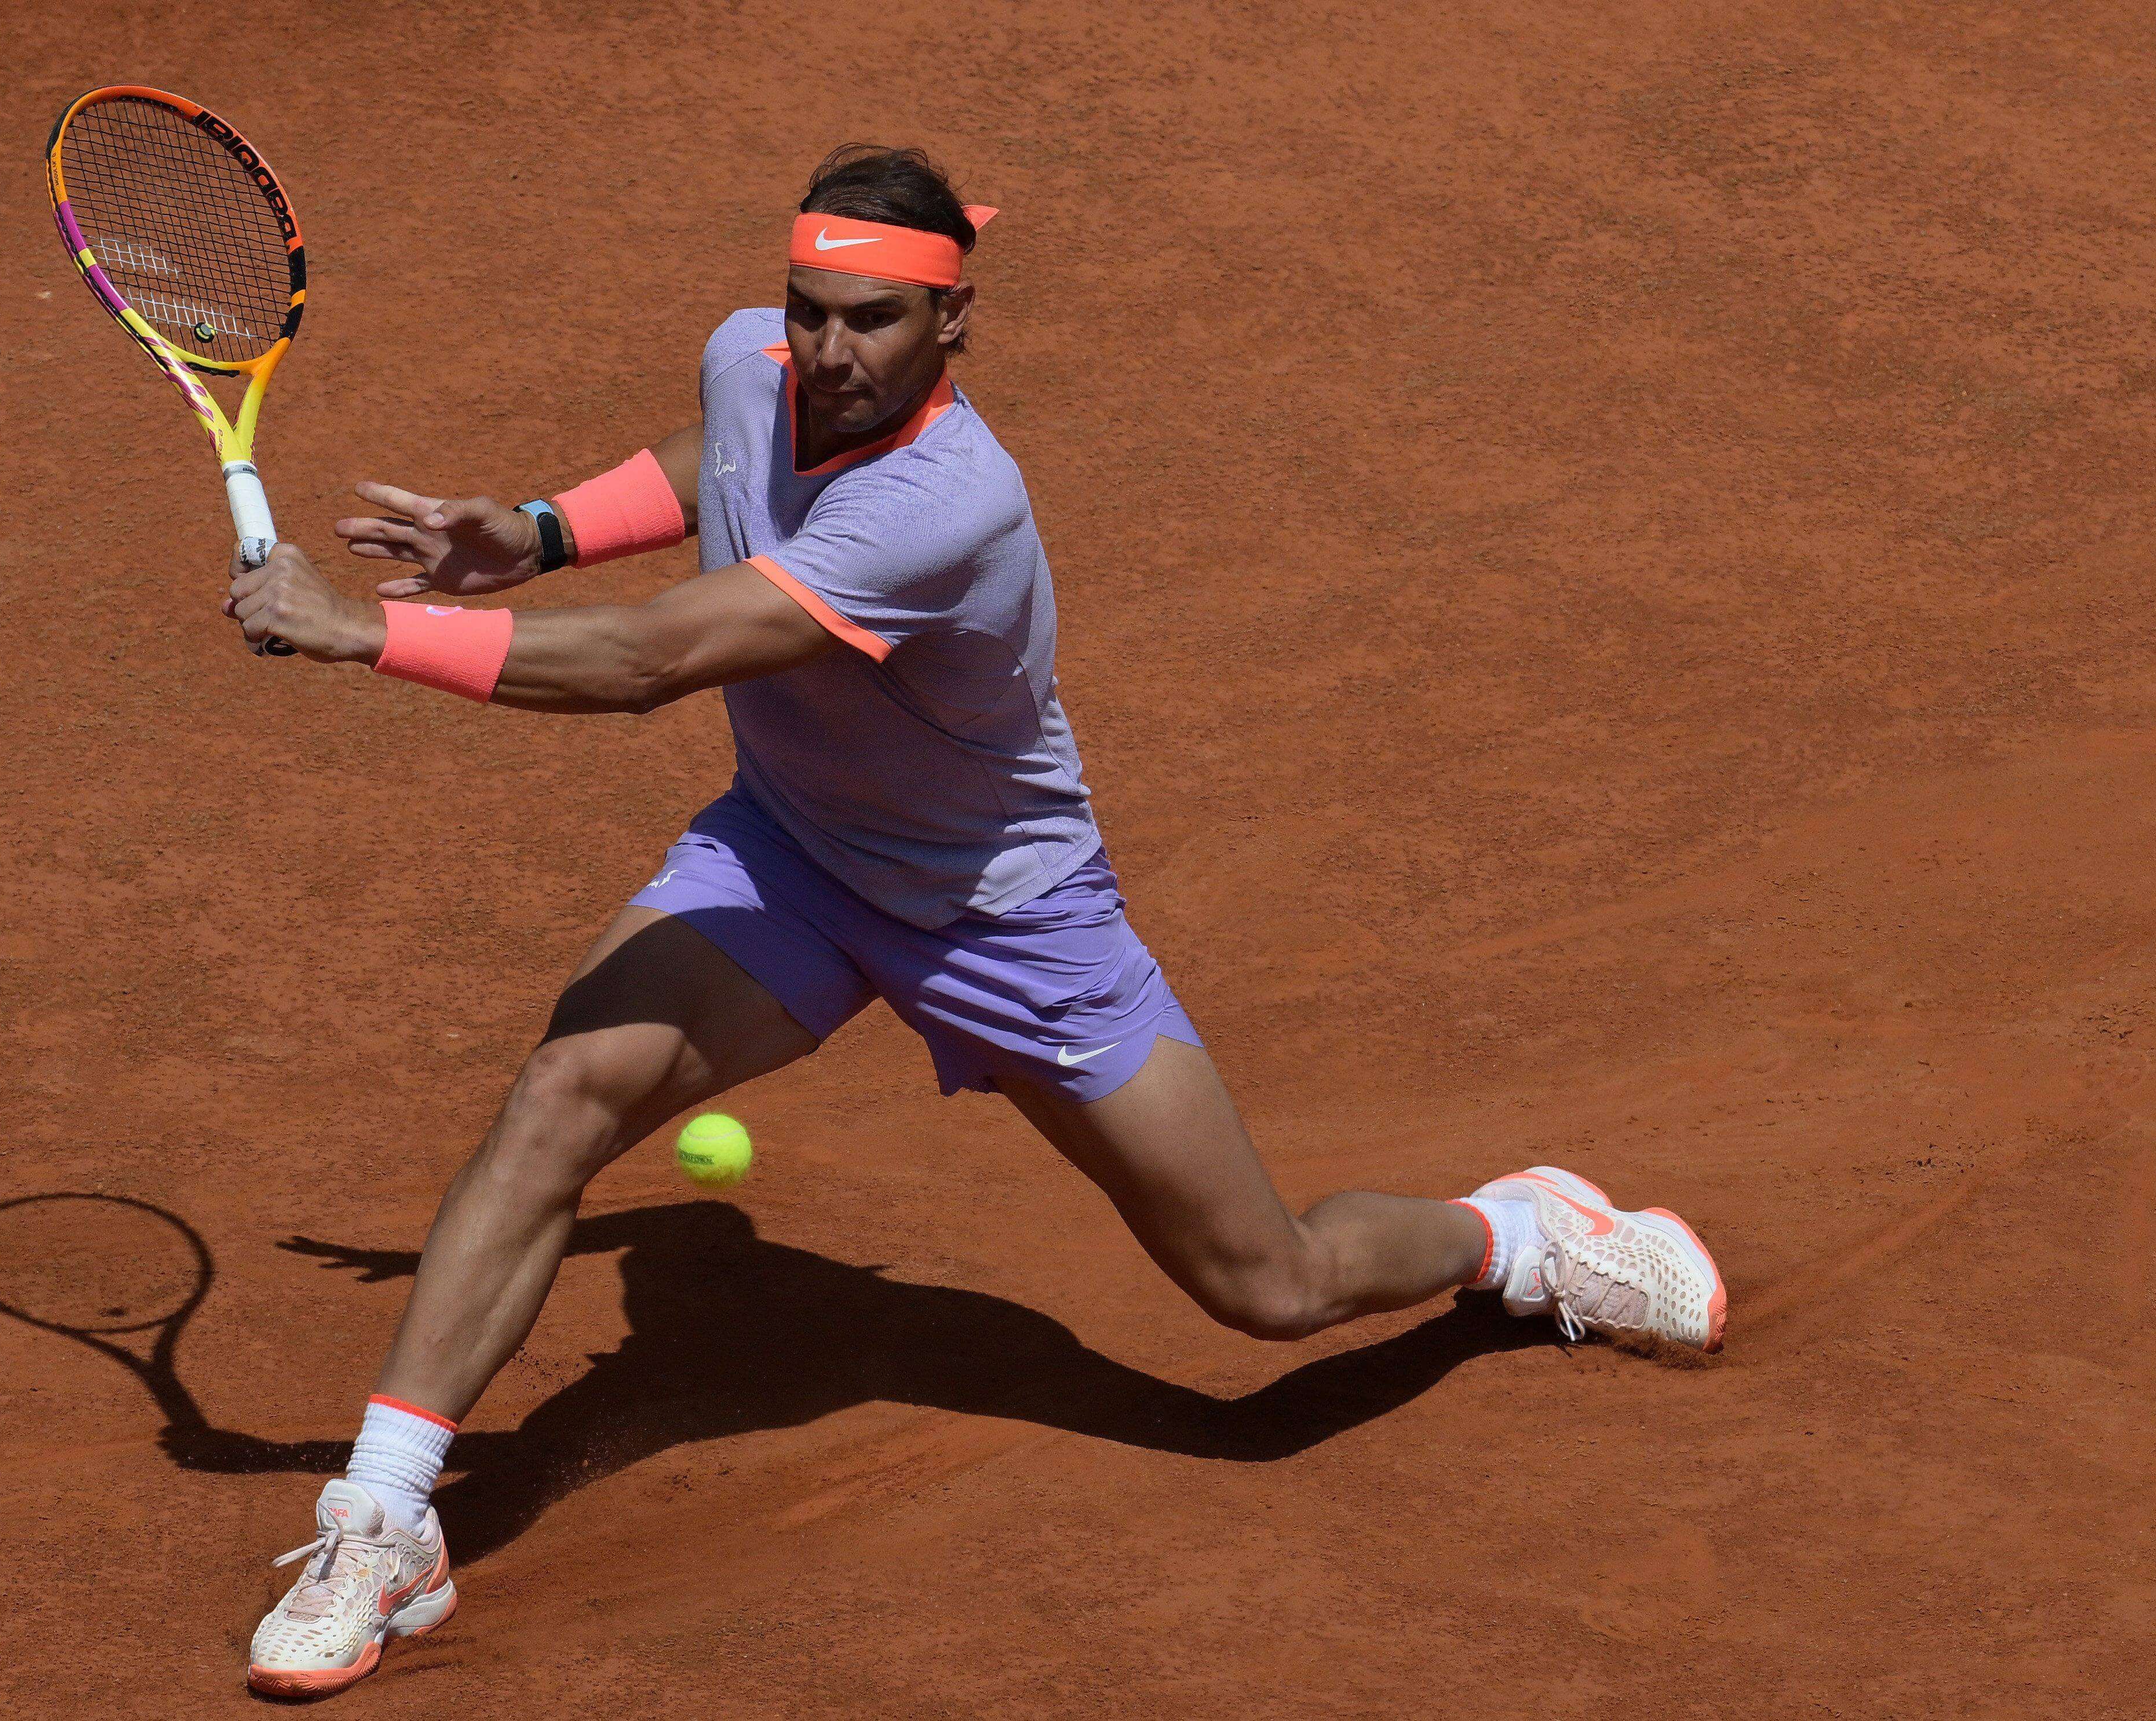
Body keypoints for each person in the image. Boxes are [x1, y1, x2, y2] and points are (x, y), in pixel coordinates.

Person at [230, 144, 1726, 1699]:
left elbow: (653, 662)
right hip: (796, 859)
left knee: (1268, 1290)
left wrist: (368, 633)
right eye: (810, 310)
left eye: (873, 322)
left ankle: (1529, 1236)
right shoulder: (761, 359)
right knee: (560, 1094)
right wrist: (538, 531)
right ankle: (387, 1522)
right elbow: (717, 451)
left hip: (1003, 911)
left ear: (958, 325)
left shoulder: (950, 503)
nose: (828, 352)